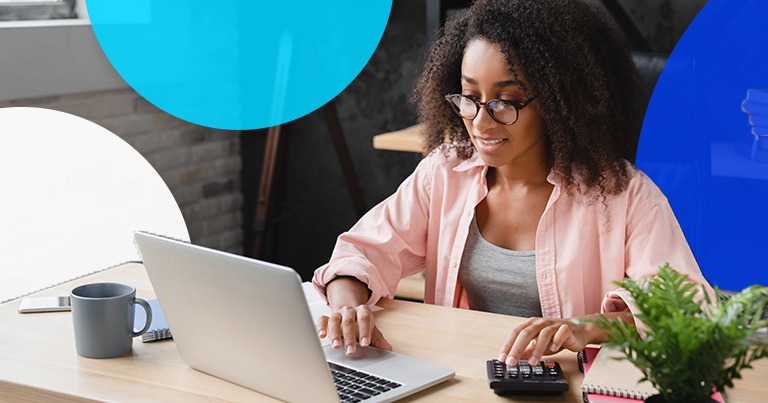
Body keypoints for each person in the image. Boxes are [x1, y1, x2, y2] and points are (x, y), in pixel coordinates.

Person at [312, 0, 713, 367]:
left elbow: (687, 311)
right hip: (460, 377)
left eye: (505, 102)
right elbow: (360, 253)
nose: (481, 123)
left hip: (570, 388)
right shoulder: (445, 172)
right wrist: (348, 307)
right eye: (469, 96)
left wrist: (586, 328)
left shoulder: (625, 195)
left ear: (559, 102)